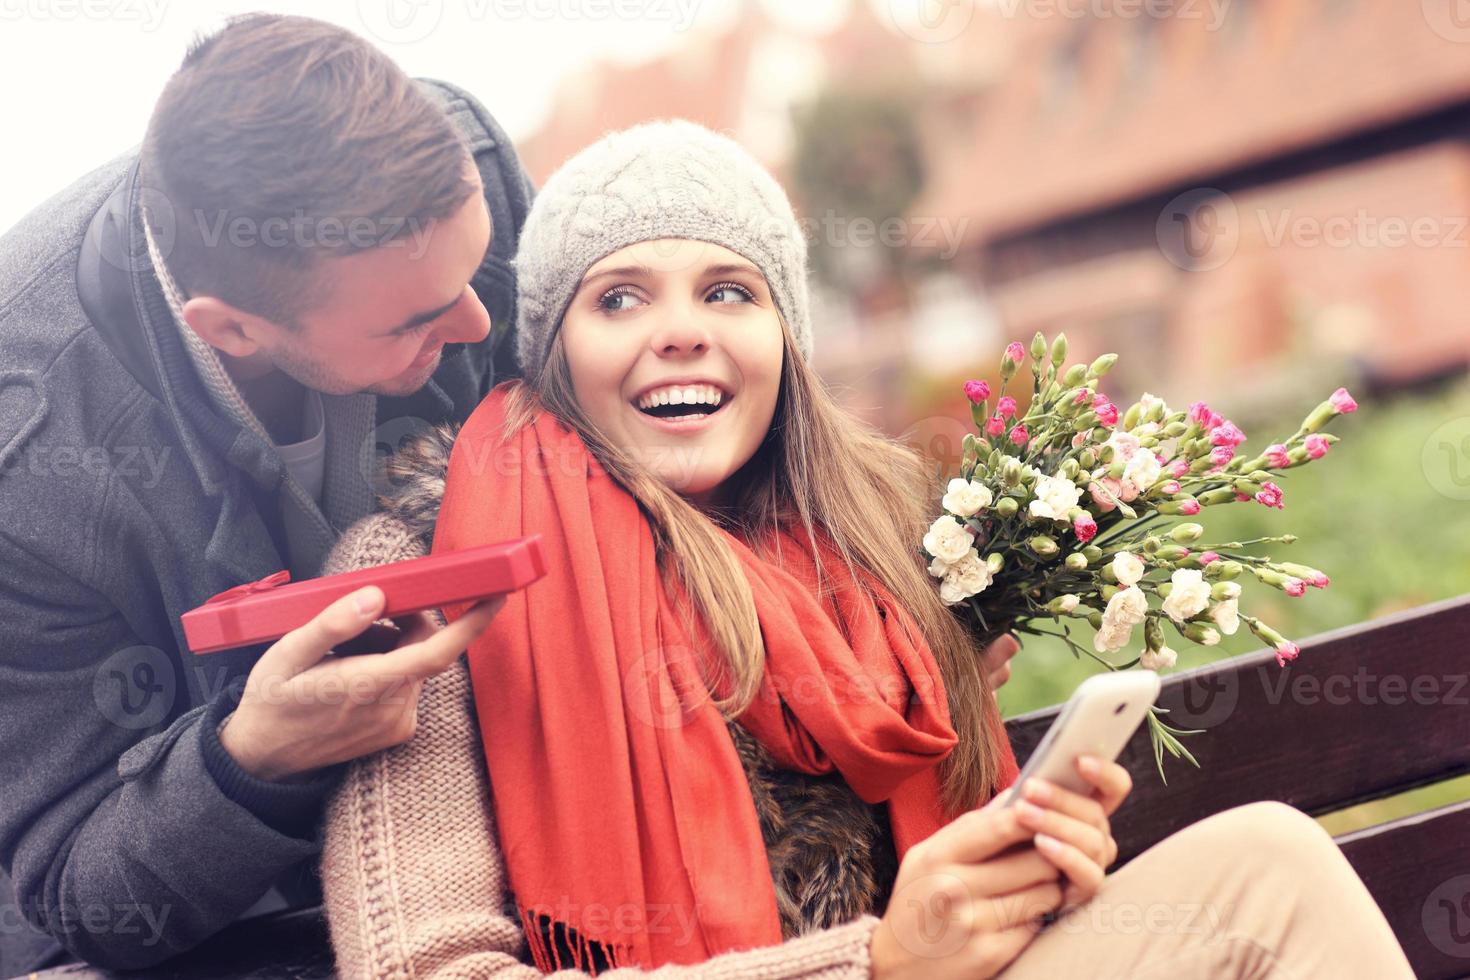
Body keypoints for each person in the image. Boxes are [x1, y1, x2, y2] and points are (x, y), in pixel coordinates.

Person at [317, 121, 1414, 979]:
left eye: (729, 290)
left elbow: (943, 903)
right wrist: (876, 960)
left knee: (1267, 867)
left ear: (783, 341)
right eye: (618, 298)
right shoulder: (428, 576)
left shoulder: (875, 548)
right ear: (553, 356)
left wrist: (1025, 877)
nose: (683, 329)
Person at [0, 14, 522, 971]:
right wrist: (252, 763)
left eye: (475, 268)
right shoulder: (27, 469)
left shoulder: (466, 170)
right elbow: (77, 891)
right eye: (415, 321)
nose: (482, 319)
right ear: (230, 331)